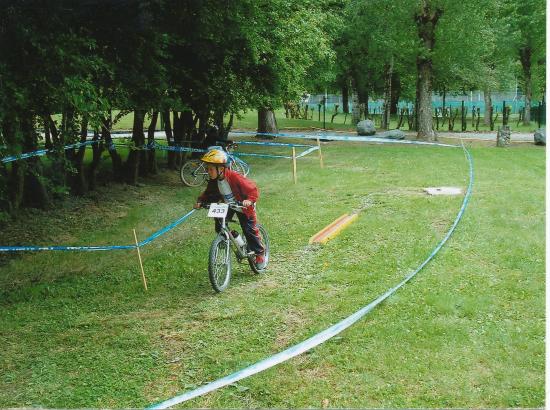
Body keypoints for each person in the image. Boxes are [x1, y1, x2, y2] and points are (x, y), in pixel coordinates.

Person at [194, 149, 266, 268]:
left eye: (210, 169)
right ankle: (232, 236)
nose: (208, 172)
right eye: (208, 169)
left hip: (243, 206)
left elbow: (252, 188)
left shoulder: (234, 177)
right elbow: (208, 193)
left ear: (221, 169)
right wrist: (201, 201)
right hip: (229, 205)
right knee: (220, 226)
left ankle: (259, 253)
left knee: (249, 230)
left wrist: (249, 200)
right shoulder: (214, 181)